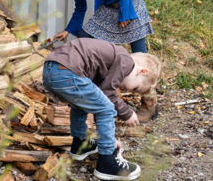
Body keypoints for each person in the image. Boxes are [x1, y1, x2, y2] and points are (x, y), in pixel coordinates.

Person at [43, 38, 162, 180]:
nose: (128, 91)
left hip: (51, 70)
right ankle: (107, 162)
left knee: (81, 105)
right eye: (135, 88)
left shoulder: (110, 62)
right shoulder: (126, 61)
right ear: (142, 71)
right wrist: (127, 113)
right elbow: (108, 93)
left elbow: (98, 94)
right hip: (68, 71)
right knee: (107, 109)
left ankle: (81, 144)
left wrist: (109, 139)